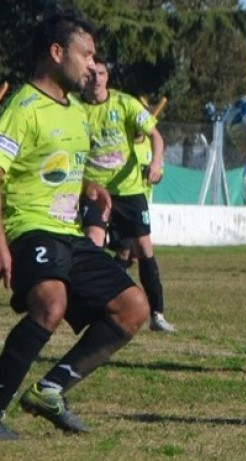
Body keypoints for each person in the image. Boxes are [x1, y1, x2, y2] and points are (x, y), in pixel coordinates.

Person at [0, 11, 150, 440]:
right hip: (28, 227)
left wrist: (88, 187)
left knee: (133, 307)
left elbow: (54, 162)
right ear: (56, 52)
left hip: (69, 232)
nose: (92, 65)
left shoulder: (77, 113)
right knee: (51, 303)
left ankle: (50, 389)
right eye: (86, 54)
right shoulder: (22, 108)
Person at [79, 55, 175, 332]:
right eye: (91, 73)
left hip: (129, 190)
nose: (96, 78)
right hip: (95, 189)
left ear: (107, 77)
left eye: (101, 73)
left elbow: (156, 136)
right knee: (93, 242)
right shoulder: (74, 108)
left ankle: (157, 313)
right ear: (84, 77)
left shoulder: (125, 104)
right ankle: (94, 306)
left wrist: (156, 163)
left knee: (143, 248)